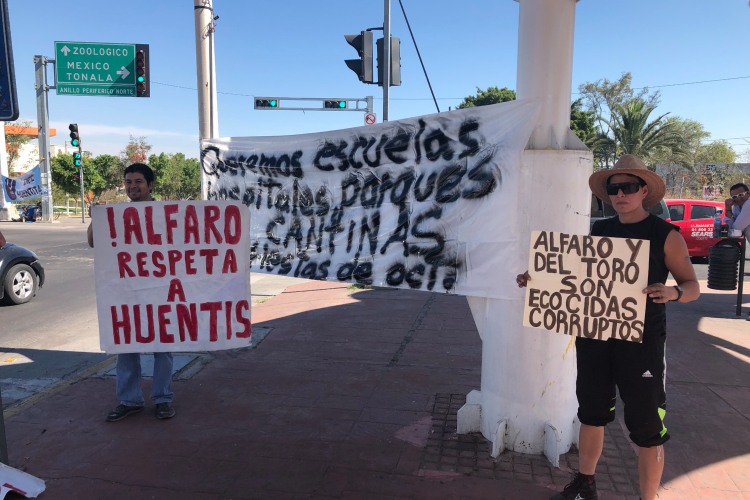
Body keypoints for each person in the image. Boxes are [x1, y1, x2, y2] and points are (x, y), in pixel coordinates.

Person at [516, 155, 700, 500]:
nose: (619, 195)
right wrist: (536, 280)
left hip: (641, 342)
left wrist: (674, 292)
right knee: (591, 411)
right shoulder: (597, 232)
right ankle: (585, 483)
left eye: (627, 187)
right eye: (613, 189)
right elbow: (569, 278)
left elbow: (693, 287)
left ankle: (649, 496)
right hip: (595, 337)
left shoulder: (665, 235)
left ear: (644, 190)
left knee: (647, 424)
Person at [88, 163, 176, 421]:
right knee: (125, 345)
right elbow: (94, 242)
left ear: (150, 185)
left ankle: (162, 398)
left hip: (160, 290)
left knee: (163, 347)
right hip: (126, 292)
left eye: (138, 181)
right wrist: (96, 220)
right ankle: (130, 400)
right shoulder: (116, 213)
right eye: (128, 182)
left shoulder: (166, 212)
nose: (132, 186)